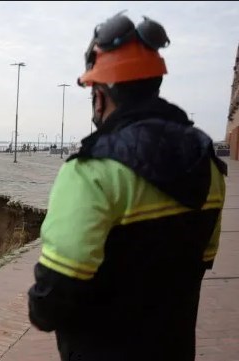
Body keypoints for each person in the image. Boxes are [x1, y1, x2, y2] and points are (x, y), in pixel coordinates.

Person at [27, 13, 227, 361]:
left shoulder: (91, 173)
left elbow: (51, 300)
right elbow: (203, 259)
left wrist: (38, 307)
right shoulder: (207, 163)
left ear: (100, 96)